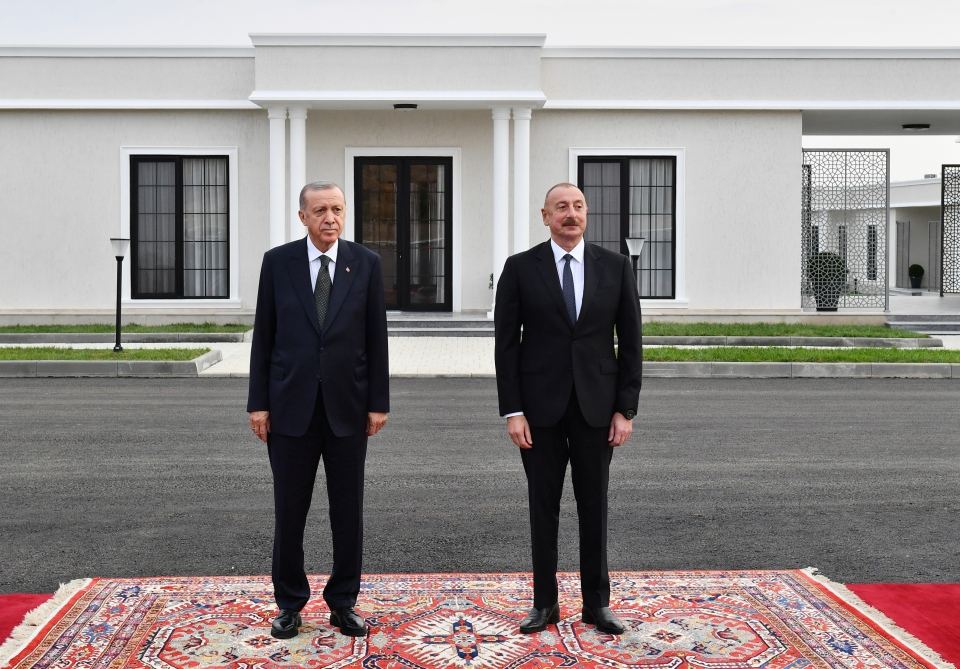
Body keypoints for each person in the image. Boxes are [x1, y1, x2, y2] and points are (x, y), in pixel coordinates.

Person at [494, 182, 642, 635]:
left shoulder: (614, 268)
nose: (570, 214)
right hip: (538, 412)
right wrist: (512, 410)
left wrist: (626, 410)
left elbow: (631, 342)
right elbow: (506, 346)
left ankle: (597, 604)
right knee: (544, 506)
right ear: (545, 216)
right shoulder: (520, 269)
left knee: (593, 505)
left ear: (587, 213)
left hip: (597, 409)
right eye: (561, 207)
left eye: (577, 206)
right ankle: (544, 603)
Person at [247, 181, 389, 639]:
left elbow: (376, 341)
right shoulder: (278, 263)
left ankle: (343, 602)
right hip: (290, 411)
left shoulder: (365, 264)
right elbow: (263, 337)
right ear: (302, 216)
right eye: (321, 210)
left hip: (348, 409)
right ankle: (289, 604)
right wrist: (258, 404)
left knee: (348, 512)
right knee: (290, 512)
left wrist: (378, 403)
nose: (330, 218)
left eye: (337, 209)